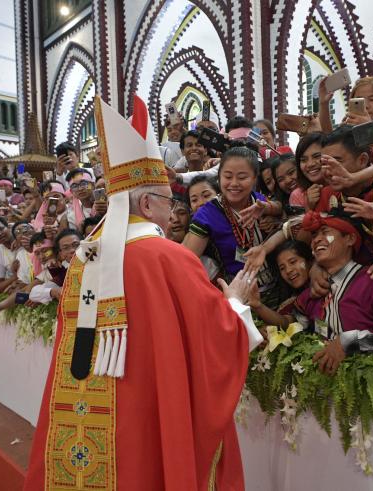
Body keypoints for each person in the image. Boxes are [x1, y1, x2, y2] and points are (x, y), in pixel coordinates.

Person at [25, 96, 263, 490]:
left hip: (95, 411)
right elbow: (214, 340)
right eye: (171, 203)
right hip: (149, 409)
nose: (174, 213)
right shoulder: (168, 258)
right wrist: (235, 303)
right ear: (149, 202)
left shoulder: (86, 258)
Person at [294, 210, 373, 375]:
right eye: (314, 235)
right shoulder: (311, 293)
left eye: (325, 232)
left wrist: (350, 342)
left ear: (350, 239)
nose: (317, 240)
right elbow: (294, 334)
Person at [183, 146, 283, 306]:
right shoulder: (207, 214)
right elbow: (186, 260)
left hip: (279, 286)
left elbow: (281, 208)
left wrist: (270, 209)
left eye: (242, 177)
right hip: (238, 297)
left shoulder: (257, 199)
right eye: (227, 176)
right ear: (219, 177)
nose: (234, 184)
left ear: (255, 178)